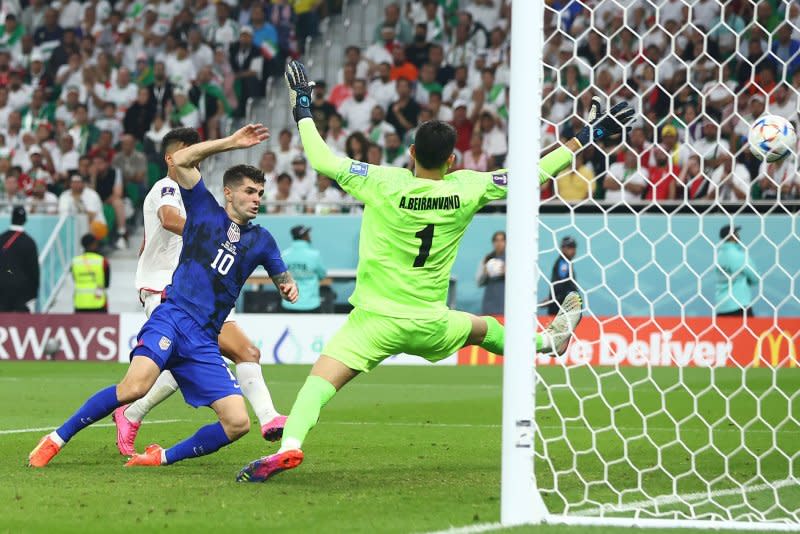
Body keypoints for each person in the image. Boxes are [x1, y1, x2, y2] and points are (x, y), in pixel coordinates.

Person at [236, 61, 634, 482]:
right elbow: (532, 175)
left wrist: (302, 105)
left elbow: (320, 157)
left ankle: (291, 445)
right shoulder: (468, 186)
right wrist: (585, 137)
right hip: (431, 320)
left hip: (374, 321)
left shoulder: (382, 181)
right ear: (451, 159)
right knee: (484, 329)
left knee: (319, 383)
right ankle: (547, 342)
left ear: (410, 153)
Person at [28, 123, 299, 469]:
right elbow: (181, 160)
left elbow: (281, 274)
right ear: (229, 194)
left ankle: (160, 458)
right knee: (134, 387)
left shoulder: (262, 240)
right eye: (249, 191)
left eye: (260, 193)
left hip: (204, 337)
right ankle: (55, 439)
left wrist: (287, 285)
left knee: (237, 423)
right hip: (172, 316)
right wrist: (232, 142)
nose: (257, 199)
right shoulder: (203, 209)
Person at [112, 128, 289, 458]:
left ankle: (269, 418)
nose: (197, 153)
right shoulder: (167, 187)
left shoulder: (199, 195)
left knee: (247, 352)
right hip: (167, 289)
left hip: (205, 291)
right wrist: (211, 233)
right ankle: (129, 411)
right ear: (173, 157)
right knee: (182, 363)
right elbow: (168, 219)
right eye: (189, 149)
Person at [280, 225, 328, 313]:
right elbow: (322, 275)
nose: (310, 236)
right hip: (311, 305)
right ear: (304, 237)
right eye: (308, 234)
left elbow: (281, 277)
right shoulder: (314, 255)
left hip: (289, 304)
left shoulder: (284, 255)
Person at [0, 206, 39, 312]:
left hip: (2, 291)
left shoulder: (1, 239)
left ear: (11, 218)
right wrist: (33, 295)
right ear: (25, 220)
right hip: (22, 293)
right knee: (21, 326)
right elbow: (34, 271)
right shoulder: (29, 242)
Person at [715, 225, 758, 318]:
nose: (738, 235)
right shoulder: (739, 256)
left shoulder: (718, 256)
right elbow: (755, 279)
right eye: (736, 233)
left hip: (721, 306)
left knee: (724, 332)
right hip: (739, 305)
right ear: (732, 236)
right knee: (748, 332)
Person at [71, 233, 110, 313]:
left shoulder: (75, 262)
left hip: (80, 303)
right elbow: (106, 284)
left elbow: (75, 279)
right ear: (94, 244)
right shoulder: (103, 261)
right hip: (99, 304)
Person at [546, 236, 579, 316]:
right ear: (563, 248)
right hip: (560, 309)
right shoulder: (563, 264)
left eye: (574, 247)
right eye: (570, 247)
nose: (573, 250)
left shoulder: (566, 262)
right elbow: (560, 286)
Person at [476, 230, 505, 315]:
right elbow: (479, 282)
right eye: (496, 240)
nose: (499, 243)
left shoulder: (512, 259)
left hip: (506, 300)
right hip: (490, 301)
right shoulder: (487, 259)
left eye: (502, 240)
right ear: (493, 243)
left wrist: (508, 273)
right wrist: (485, 274)